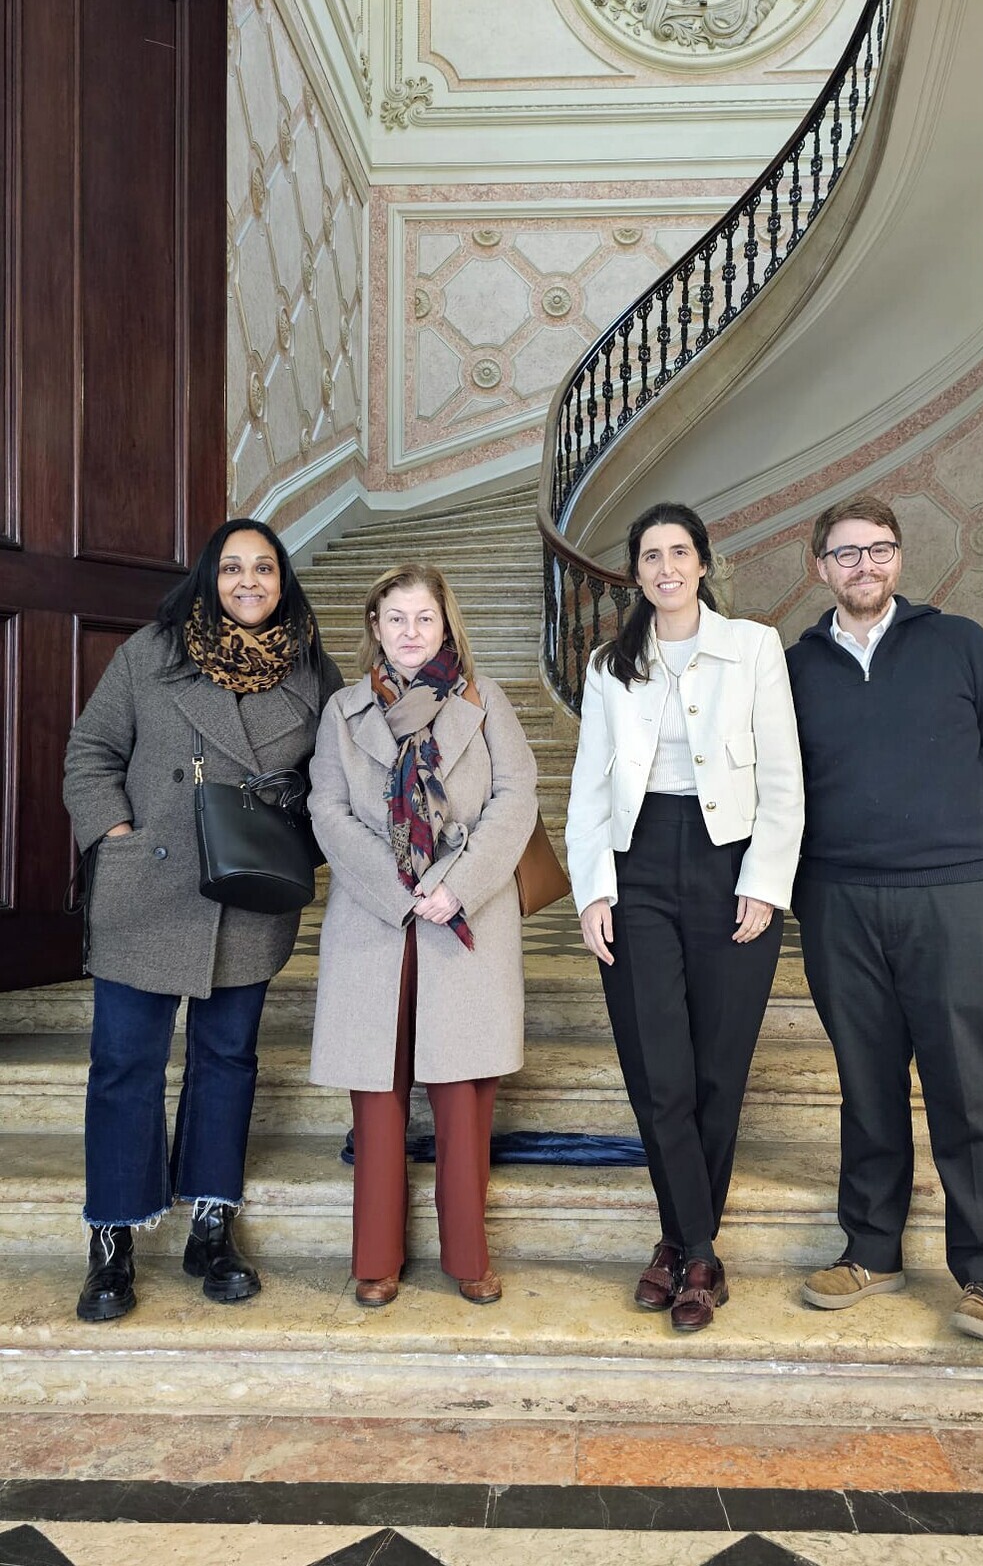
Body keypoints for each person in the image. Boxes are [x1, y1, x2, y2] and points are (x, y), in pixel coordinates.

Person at [63, 519, 342, 1322]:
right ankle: (112, 1240)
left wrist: (301, 817)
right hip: (146, 886)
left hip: (247, 891)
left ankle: (210, 1228)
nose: (249, 581)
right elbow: (89, 753)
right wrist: (117, 833)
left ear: (283, 580)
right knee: (124, 1064)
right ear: (208, 578)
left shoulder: (312, 670)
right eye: (232, 568)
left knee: (226, 1061)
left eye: (264, 568)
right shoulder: (150, 654)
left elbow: (341, 776)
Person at [786, 494, 983, 1344]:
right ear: (818, 566)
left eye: (879, 549)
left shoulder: (958, 644)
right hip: (837, 900)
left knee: (965, 1087)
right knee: (865, 1083)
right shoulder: (793, 667)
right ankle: (870, 1250)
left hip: (950, 897)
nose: (864, 566)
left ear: (897, 557)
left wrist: (958, 834)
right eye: (846, 553)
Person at [565, 503, 804, 1331]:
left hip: (728, 863)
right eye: (649, 556)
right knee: (655, 1069)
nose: (664, 567)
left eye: (678, 552)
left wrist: (764, 881)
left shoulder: (753, 647)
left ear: (703, 562)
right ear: (635, 573)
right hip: (635, 866)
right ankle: (699, 1253)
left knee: (715, 1072)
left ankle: (676, 1246)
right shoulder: (610, 664)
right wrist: (592, 890)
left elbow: (783, 777)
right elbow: (589, 785)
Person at [308, 564, 538, 1308]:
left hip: (465, 917)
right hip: (376, 917)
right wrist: (401, 888)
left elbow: (516, 800)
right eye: (396, 618)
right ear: (375, 627)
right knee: (377, 1097)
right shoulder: (343, 711)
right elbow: (327, 810)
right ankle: (375, 1258)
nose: (411, 632)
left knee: (463, 1093)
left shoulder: (484, 701)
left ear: (446, 626)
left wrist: (456, 886)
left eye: (424, 618)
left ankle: (468, 1257)